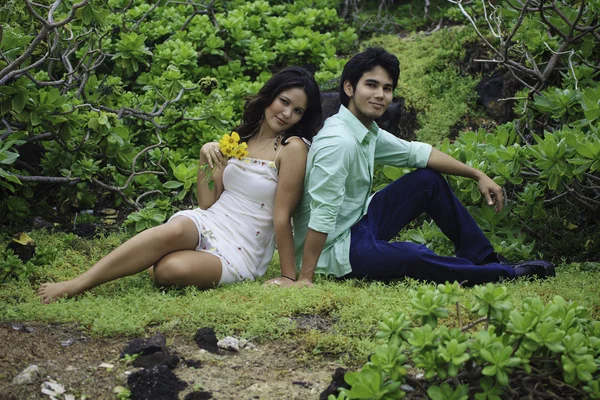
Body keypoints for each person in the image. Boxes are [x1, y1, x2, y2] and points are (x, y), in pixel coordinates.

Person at [38, 66, 323, 303]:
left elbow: (281, 215)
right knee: (175, 228)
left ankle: (154, 258)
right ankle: (77, 284)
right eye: (284, 101)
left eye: (297, 111)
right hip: (213, 219)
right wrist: (204, 157)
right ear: (270, 97)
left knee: (166, 271)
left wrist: (288, 276)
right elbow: (207, 202)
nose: (287, 113)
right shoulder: (242, 138)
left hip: (245, 246)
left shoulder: (292, 148)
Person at [282, 47, 554, 288]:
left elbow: (417, 153)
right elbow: (323, 212)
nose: (380, 95)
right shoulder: (339, 141)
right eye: (372, 85)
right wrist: (305, 277)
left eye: (387, 89)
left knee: (428, 180)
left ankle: (483, 258)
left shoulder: (365, 130)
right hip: (332, 250)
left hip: (357, 223)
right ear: (349, 88)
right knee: (412, 255)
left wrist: (477, 174)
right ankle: (500, 274)